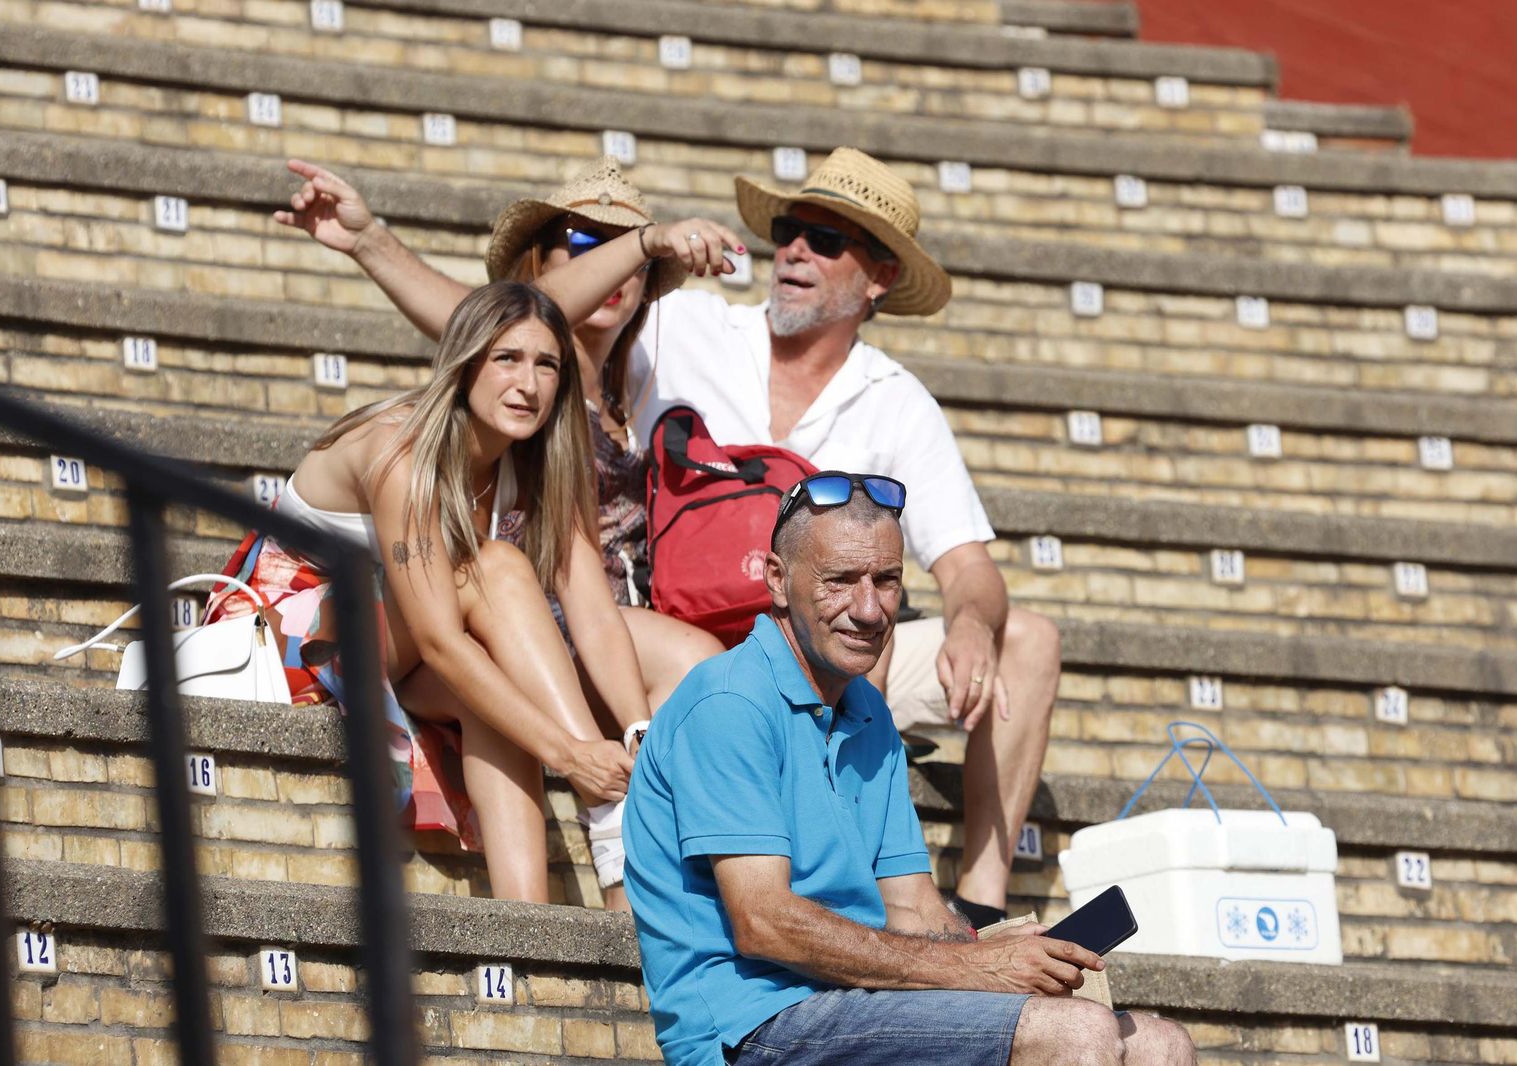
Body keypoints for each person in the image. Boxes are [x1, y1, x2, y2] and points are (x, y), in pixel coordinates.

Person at [278, 147, 1062, 924]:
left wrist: (970, 619)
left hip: (660, 634)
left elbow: (966, 563)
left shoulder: (891, 398)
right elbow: (508, 319)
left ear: (878, 277)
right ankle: (750, 875)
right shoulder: (677, 337)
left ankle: (948, 902)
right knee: (517, 584)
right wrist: (640, 244)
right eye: (787, 227)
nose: (792, 248)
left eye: (825, 239)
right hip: (370, 624)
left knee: (993, 638)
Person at [621, 473, 1195, 1066]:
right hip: (752, 1027)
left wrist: (997, 948)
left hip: (860, 1004)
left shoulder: (867, 709)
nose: (869, 609)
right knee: (1077, 1036)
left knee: (1161, 1044)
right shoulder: (727, 703)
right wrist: (974, 967)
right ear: (777, 580)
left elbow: (913, 905)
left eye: (887, 581)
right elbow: (764, 922)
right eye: (840, 581)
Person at [204, 280, 646, 907]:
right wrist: (572, 756)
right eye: (507, 359)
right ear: (465, 363)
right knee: (497, 568)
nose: (529, 383)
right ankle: (611, 818)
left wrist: (637, 731)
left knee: (497, 686)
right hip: (300, 641)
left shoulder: (547, 462)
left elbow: (596, 615)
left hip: (403, 645)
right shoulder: (402, 448)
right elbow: (439, 640)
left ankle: (532, 926)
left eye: (547, 364)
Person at [273, 157, 724, 712]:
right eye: (585, 241)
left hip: (567, 624)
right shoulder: (504, 393)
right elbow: (493, 317)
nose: (612, 266)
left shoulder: (646, 386)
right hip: (469, 617)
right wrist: (646, 241)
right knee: (679, 657)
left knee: (706, 668)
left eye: (626, 251)